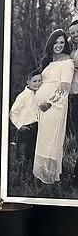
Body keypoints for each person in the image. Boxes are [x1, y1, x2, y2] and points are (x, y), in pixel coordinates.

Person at [33, 29, 75, 185]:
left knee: (50, 140)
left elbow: (64, 87)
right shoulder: (49, 61)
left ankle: (49, 176)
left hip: (54, 107)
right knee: (42, 139)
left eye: (62, 42)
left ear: (65, 45)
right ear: (51, 43)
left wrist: (49, 103)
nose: (59, 45)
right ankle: (39, 173)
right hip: (42, 108)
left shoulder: (68, 62)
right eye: (56, 42)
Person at [9, 70, 42, 167]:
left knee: (32, 153)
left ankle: (31, 174)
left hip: (36, 127)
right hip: (25, 129)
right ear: (28, 82)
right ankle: (20, 175)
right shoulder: (23, 96)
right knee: (22, 154)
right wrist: (20, 126)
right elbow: (13, 113)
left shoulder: (39, 94)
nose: (37, 83)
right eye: (34, 81)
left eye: (39, 81)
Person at [66, 15, 78, 183]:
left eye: (77, 32)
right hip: (73, 99)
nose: (75, 35)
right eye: (72, 32)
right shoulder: (72, 51)